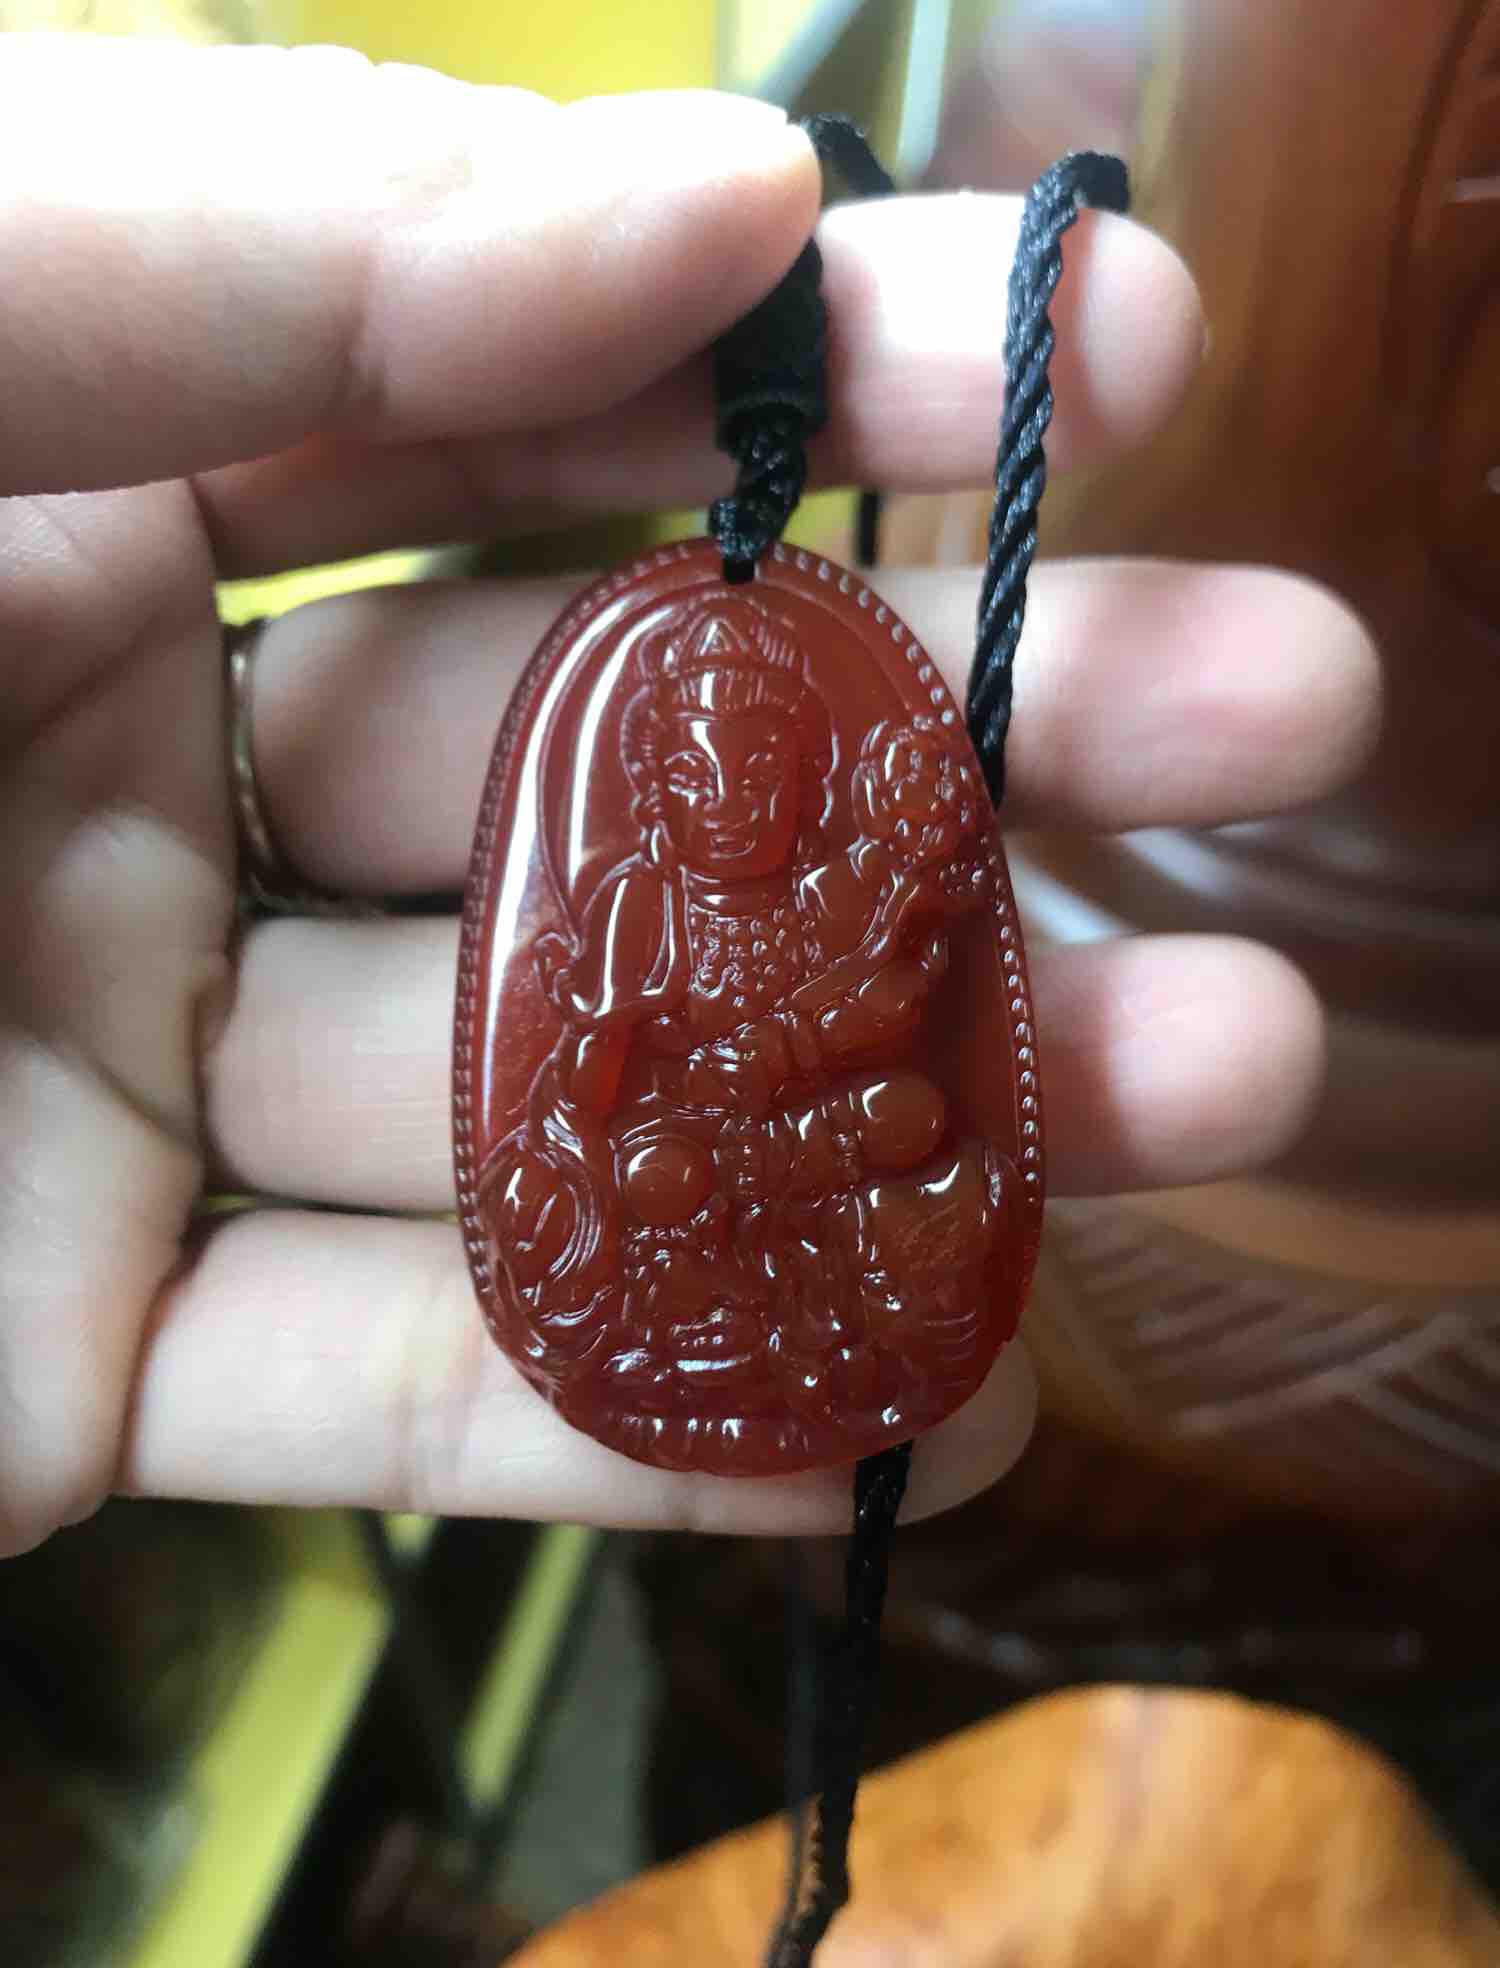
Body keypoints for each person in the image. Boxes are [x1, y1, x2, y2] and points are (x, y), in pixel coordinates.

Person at [0, 33, 1378, 1558]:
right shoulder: (636, 898)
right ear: (655, 778)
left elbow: (892, 1009)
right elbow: (584, 1092)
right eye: (701, 767)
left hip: (821, 1149)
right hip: (687, 1187)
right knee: (641, 1176)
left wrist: (874, 925)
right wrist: (633, 1072)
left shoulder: (833, 882)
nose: (734, 791)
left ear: (802, 767)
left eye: (765, 763)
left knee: (916, 1113)